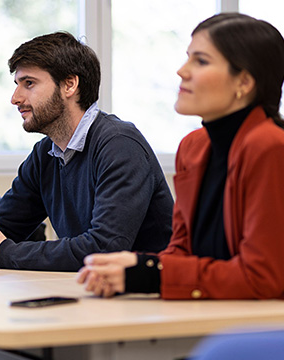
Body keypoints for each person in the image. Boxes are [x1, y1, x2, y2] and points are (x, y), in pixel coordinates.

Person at [77, 13, 284, 299]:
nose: (182, 71)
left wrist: (151, 273)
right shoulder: (193, 147)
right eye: (188, 57)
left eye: (200, 61)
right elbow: (182, 250)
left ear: (244, 82)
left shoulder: (270, 146)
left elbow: (263, 277)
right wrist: (132, 269)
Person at [0, 32, 174, 271]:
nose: (15, 98)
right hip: (86, 291)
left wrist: (4, 252)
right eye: (17, 85)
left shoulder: (120, 145)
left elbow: (103, 250)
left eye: (29, 83)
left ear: (69, 85)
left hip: (147, 300)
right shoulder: (46, 154)